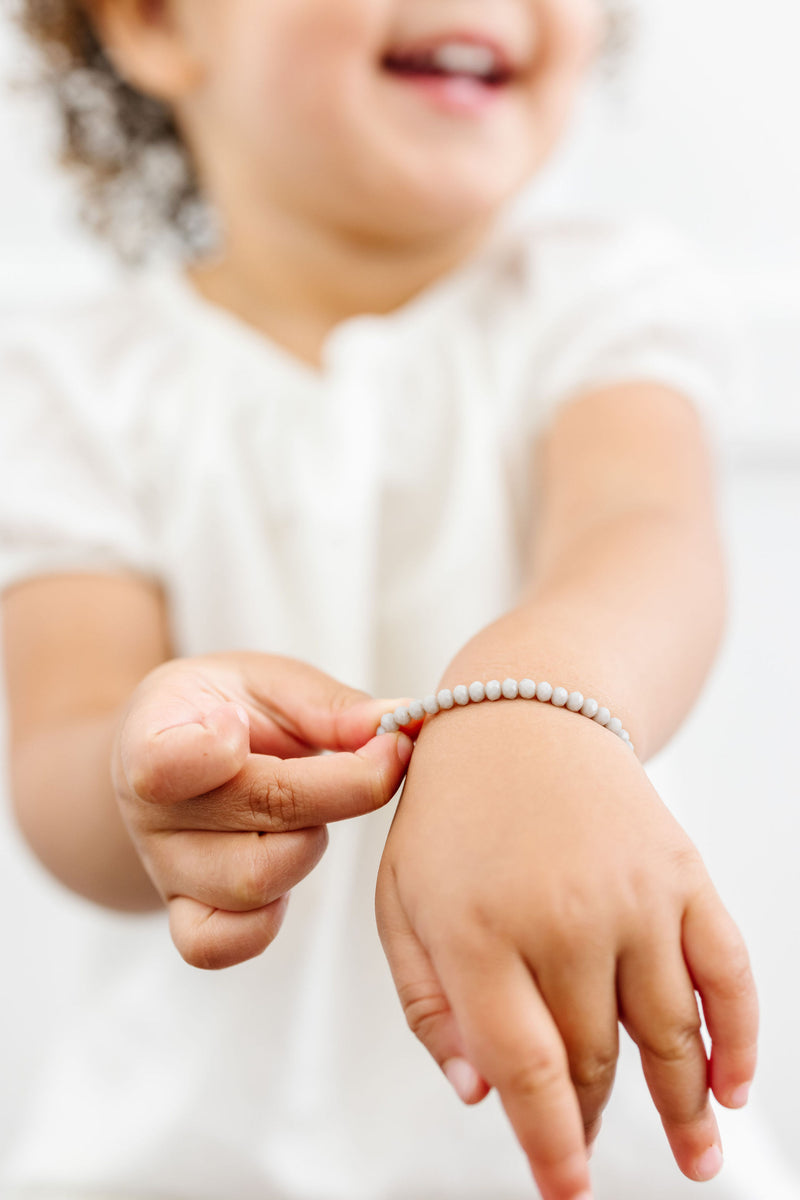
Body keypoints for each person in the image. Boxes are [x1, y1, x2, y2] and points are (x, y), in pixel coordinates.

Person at [0, 2, 760, 1199]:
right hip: (189, 1158)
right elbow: (58, 756)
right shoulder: (73, 390)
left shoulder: (598, 300)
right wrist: (153, 761)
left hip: (600, 1153)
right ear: (152, 22)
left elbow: (642, 534)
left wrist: (536, 701)